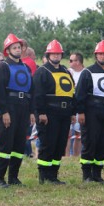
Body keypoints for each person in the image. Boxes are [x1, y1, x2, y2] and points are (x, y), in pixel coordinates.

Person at [74, 40, 104, 183]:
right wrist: (81, 112)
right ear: (96, 55)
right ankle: (86, 174)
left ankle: (97, 174)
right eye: (100, 54)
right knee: (90, 141)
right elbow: (80, 94)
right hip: (91, 112)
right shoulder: (88, 72)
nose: (103, 56)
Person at [0, 34, 35, 188]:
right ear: (8, 50)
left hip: (24, 106)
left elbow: (31, 90)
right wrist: (4, 111)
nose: (18, 50)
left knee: (19, 144)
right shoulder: (4, 66)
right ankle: (0, 179)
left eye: (19, 47)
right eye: (14, 48)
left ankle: (14, 177)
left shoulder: (25, 67)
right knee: (6, 145)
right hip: (10, 106)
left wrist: (31, 111)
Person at [33, 40, 75, 185]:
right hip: (49, 114)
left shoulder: (66, 71)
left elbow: (71, 93)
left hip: (64, 114)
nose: (56, 55)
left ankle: (54, 175)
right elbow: (38, 95)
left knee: (59, 144)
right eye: (53, 53)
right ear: (48, 54)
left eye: (58, 53)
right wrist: (41, 113)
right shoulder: (42, 72)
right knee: (48, 144)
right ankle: (44, 176)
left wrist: (72, 112)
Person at [67, 52, 84, 157]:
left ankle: (76, 156)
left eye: (71, 60)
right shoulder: (68, 72)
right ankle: (65, 156)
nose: (69, 62)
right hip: (69, 107)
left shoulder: (85, 73)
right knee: (67, 133)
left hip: (80, 107)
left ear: (78, 62)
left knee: (79, 134)